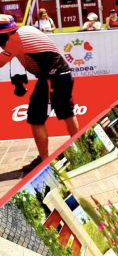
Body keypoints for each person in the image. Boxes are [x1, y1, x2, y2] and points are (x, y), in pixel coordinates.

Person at [0, 15, 79, 177]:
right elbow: (29, 54)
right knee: (67, 114)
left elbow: (1, 61)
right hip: (63, 74)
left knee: (36, 118)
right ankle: (80, 147)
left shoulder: (14, 40)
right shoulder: (26, 29)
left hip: (51, 78)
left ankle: (44, 161)